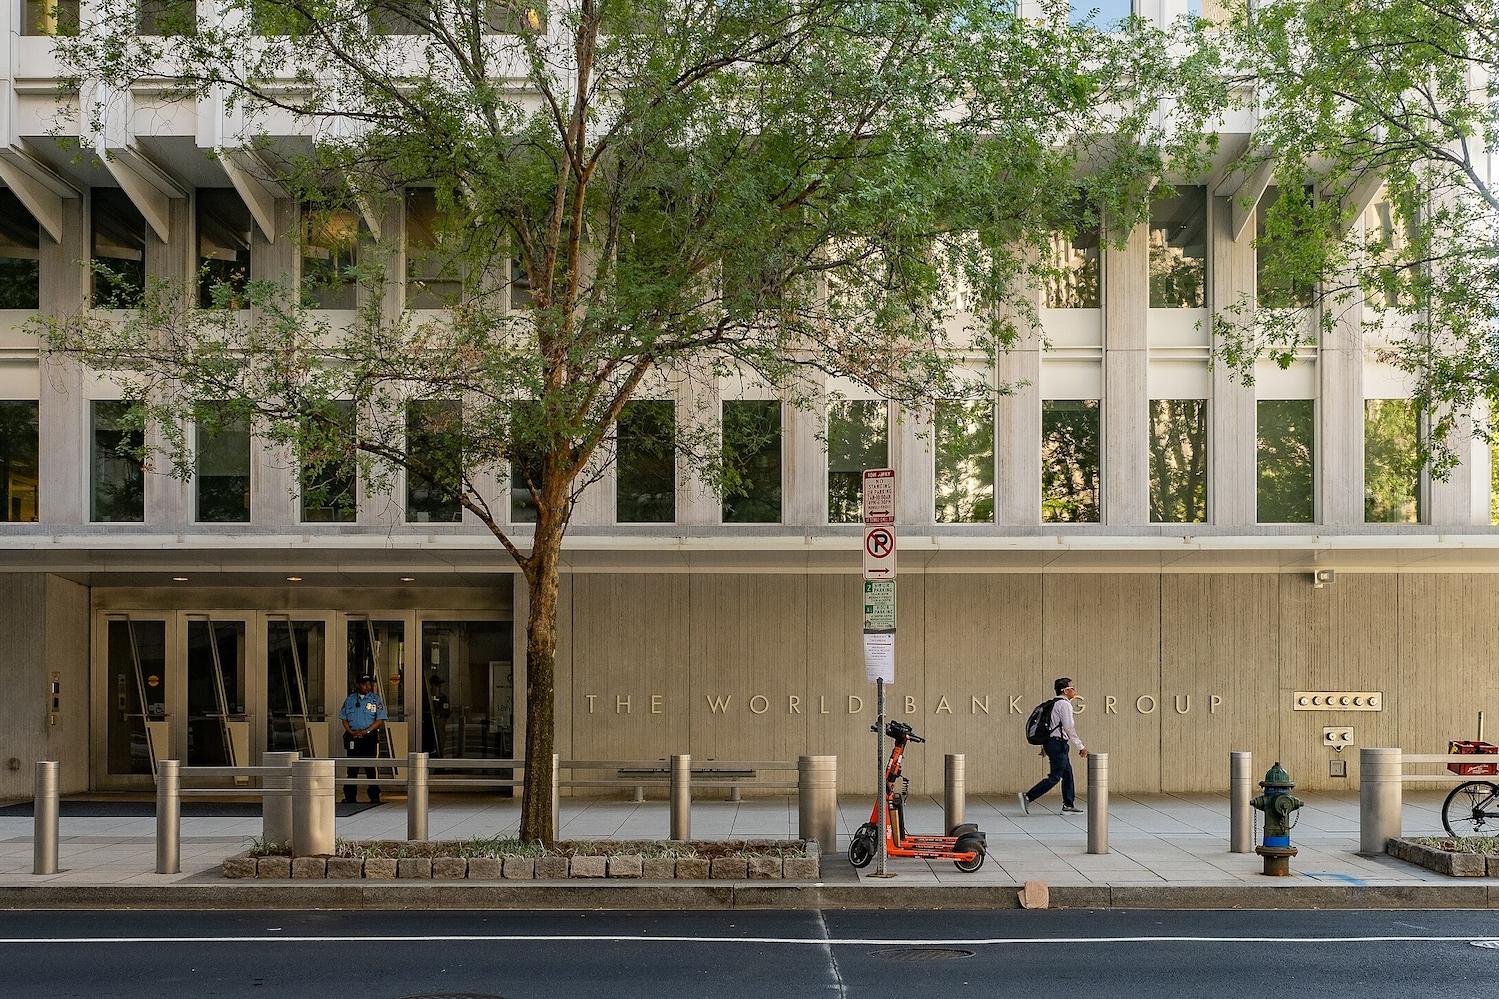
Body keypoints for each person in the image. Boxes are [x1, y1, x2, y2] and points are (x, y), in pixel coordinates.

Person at [1018, 677, 1087, 815]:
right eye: (1072, 688)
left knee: (1067, 774)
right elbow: (1069, 727)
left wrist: (1045, 746)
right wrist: (1081, 746)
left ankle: (1068, 805)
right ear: (1065, 690)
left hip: (1053, 743)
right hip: (1058, 744)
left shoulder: (1053, 703)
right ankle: (1028, 796)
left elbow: (1049, 727)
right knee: (1055, 776)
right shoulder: (1064, 705)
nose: (1075, 690)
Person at [338, 673, 388, 804]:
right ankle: (350, 796)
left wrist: (367, 731)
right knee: (352, 769)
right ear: (358, 685)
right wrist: (351, 732)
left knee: (370, 768)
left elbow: (380, 719)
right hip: (353, 737)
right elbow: (344, 719)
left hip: (369, 737)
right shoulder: (350, 700)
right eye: (365, 684)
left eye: (369, 684)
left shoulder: (375, 700)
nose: (368, 686)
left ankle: (374, 795)